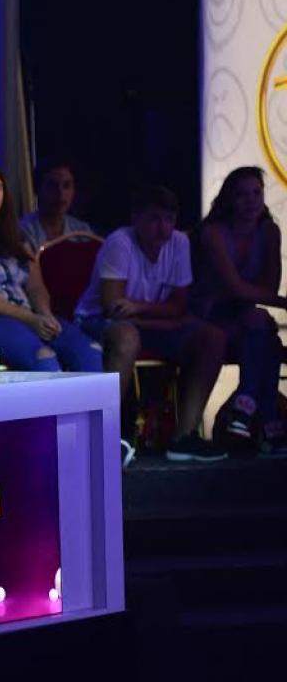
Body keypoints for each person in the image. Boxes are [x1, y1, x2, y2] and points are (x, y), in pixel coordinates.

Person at [75, 185, 228, 461]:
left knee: (212, 338)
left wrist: (142, 308)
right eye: (155, 218)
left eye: (169, 219)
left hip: (148, 320)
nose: (163, 227)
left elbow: (179, 305)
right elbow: (113, 307)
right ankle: (103, 438)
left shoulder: (179, 243)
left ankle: (185, 437)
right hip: (97, 321)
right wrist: (166, 318)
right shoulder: (120, 242)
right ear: (136, 218)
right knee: (127, 336)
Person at [0, 161, 101, 373]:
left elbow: (35, 285)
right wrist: (29, 319)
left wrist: (45, 314)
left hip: (30, 314)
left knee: (90, 352)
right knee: (44, 357)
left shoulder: (17, 235)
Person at [192, 167, 287, 454]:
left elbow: (268, 287)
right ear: (229, 199)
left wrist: (267, 299)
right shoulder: (213, 233)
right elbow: (234, 287)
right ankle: (269, 421)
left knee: (264, 332)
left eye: (256, 193)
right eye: (242, 195)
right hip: (208, 312)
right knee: (264, 330)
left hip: (245, 316)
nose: (251, 201)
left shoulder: (269, 231)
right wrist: (282, 303)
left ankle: (245, 411)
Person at [19, 160, 93, 250]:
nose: (60, 193)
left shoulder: (82, 231)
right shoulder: (24, 230)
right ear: (38, 189)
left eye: (66, 186)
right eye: (52, 186)